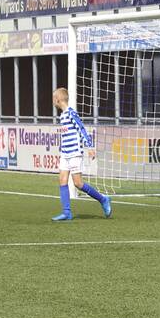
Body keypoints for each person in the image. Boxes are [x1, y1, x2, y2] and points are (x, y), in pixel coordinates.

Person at [51, 87, 111, 222]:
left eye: (54, 99)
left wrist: (89, 146)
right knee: (62, 180)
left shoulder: (71, 113)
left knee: (78, 183)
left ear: (58, 99)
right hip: (65, 153)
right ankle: (66, 212)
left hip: (75, 153)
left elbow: (81, 129)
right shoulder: (62, 116)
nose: (53, 102)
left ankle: (103, 199)